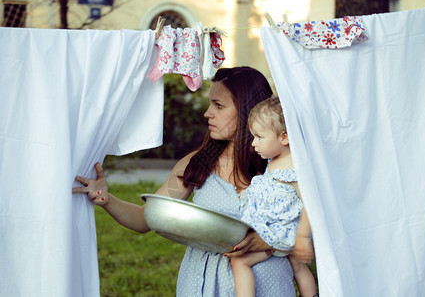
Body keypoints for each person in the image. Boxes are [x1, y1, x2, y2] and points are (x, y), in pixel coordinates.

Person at [72, 67, 302, 296]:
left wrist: (269, 242)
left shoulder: (284, 164)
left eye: (218, 105)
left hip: (268, 284)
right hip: (201, 285)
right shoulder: (196, 164)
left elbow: (313, 226)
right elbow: (146, 218)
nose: (207, 113)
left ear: (247, 111)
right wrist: (106, 199)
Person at [229, 98, 318, 297]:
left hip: (283, 232)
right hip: (279, 228)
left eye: (259, 137)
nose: (253, 143)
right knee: (298, 266)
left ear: (284, 137)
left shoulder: (296, 166)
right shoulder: (274, 159)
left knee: (239, 260)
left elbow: (310, 203)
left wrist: (302, 237)